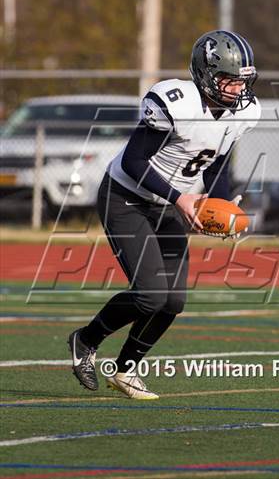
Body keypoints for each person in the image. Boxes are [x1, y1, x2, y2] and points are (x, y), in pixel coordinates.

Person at [68, 30, 261, 399]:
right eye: (228, 80)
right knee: (151, 295)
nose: (237, 90)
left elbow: (217, 165)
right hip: (126, 196)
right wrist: (180, 198)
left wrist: (220, 207)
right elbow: (134, 160)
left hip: (173, 202)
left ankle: (126, 370)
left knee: (173, 301)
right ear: (205, 75)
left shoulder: (243, 113)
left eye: (241, 81)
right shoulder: (176, 102)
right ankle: (85, 341)